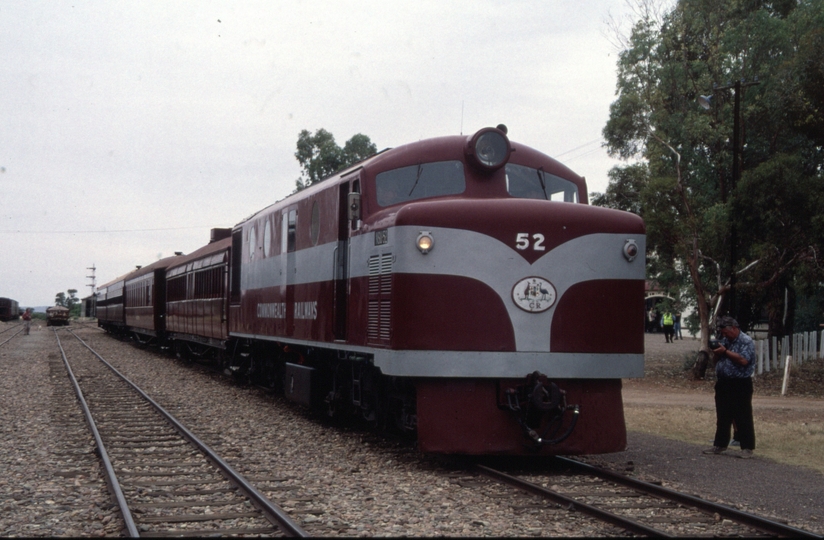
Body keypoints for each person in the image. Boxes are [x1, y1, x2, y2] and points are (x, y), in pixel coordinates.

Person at [703, 316, 756, 459]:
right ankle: (720, 444)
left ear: (734, 328)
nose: (724, 335)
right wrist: (716, 353)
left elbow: (743, 360)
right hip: (723, 382)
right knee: (723, 415)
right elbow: (716, 360)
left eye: (726, 332)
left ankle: (747, 447)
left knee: (742, 415)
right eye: (722, 333)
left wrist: (725, 352)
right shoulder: (725, 340)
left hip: (740, 383)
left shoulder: (746, 341)